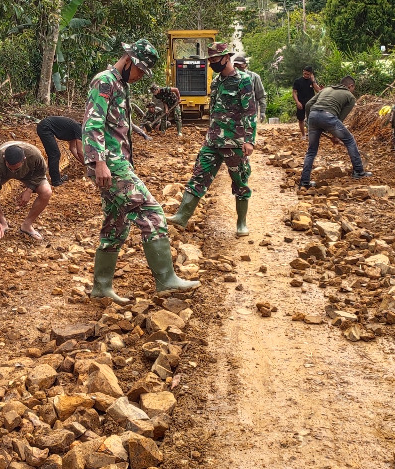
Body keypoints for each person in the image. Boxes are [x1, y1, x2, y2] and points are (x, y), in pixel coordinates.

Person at [84, 39, 199, 305]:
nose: (139, 77)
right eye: (139, 71)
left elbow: (117, 126)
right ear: (129, 60)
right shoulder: (105, 81)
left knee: (116, 222)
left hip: (116, 162)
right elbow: (93, 123)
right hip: (110, 163)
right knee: (151, 212)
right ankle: (166, 279)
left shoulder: (119, 84)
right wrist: (99, 162)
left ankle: (101, 287)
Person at [169, 42, 258, 236]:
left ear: (227, 58)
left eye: (215, 59)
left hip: (234, 142)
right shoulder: (216, 81)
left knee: (240, 182)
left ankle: (241, 223)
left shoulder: (243, 80)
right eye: (210, 60)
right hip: (212, 141)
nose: (212, 63)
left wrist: (249, 140)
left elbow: (250, 111)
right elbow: (214, 110)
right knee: (199, 175)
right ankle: (182, 217)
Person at [299, 76, 372, 187]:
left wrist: (309, 122)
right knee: (350, 141)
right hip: (329, 117)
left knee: (311, 151)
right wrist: (335, 134)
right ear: (350, 86)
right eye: (353, 88)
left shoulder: (326, 89)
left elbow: (309, 104)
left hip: (313, 116)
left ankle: (304, 182)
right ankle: (358, 171)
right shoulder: (350, 97)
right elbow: (340, 119)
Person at [0, 141, 51, 241]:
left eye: (16, 168)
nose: (13, 171)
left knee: (46, 192)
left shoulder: (34, 155)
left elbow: (40, 172)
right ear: (4, 159)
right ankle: (2, 223)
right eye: (10, 168)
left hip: (28, 174)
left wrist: (29, 190)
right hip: (4, 174)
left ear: (24, 159)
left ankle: (27, 225)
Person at [36, 116, 83, 186]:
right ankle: (56, 181)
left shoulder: (76, 131)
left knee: (54, 153)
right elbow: (80, 151)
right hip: (45, 127)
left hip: (46, 127)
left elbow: (72, 148)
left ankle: (56, 178)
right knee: (54, 154)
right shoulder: (80, 130)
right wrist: (87, 163)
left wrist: (83, 162)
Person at [234, 55, 267, 123]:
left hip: (249, 114)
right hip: (233, 114)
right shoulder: (229, 78)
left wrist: (262, 112)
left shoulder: (254, 77)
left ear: (245, 65)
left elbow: (261, 96)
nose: (238, 67)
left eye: (240, 65)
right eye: (236, 65)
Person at [291, 67, 321, 138]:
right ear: (303, 72)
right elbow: (294, 92)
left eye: (308, 74)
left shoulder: (312, 81)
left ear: (311, 74)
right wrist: (297, 102)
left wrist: (313, 81)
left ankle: (310, 133)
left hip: (311, 103)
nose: (306, 75)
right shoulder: (297, 81)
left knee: (311, 119)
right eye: (304, 73)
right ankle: (303, 135)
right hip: (301, 102)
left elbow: (318, 90)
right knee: (301, 119)